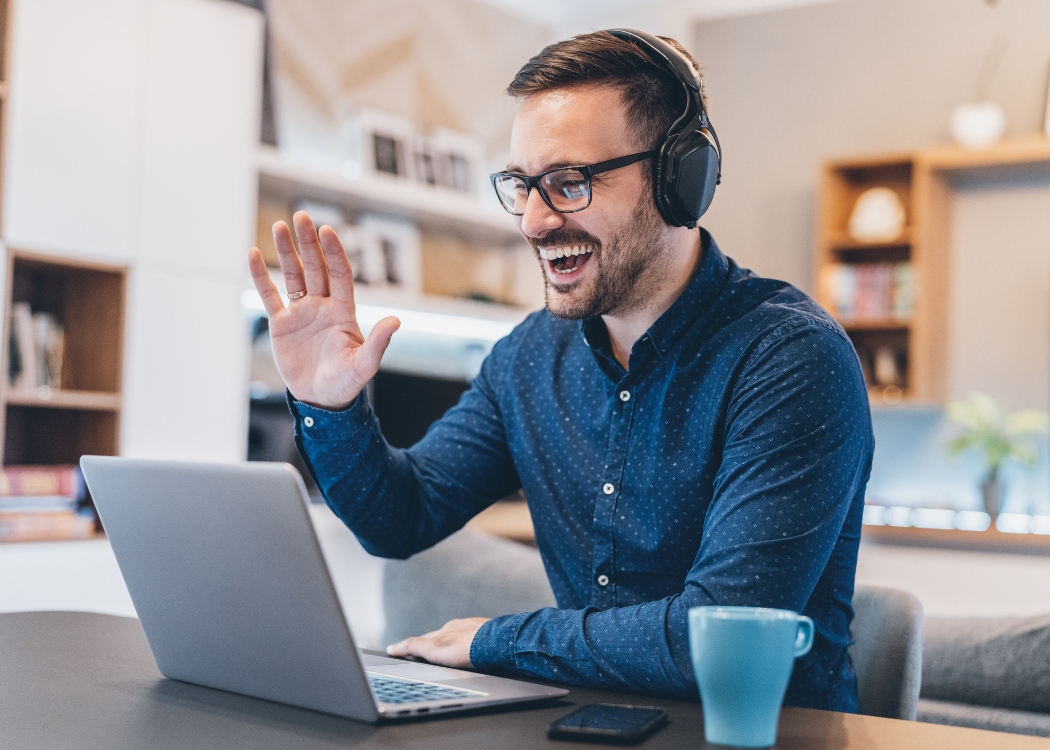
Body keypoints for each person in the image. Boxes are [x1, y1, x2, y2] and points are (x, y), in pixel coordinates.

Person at [247, 30, 874, 712]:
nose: (534, 221)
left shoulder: (791, 359)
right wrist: (330, 406)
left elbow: (718, 637)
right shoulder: (529, 357)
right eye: (522, 186)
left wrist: (495, 641)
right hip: (587, 724)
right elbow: (401, 519)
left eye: (570, 183)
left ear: (679, 179)